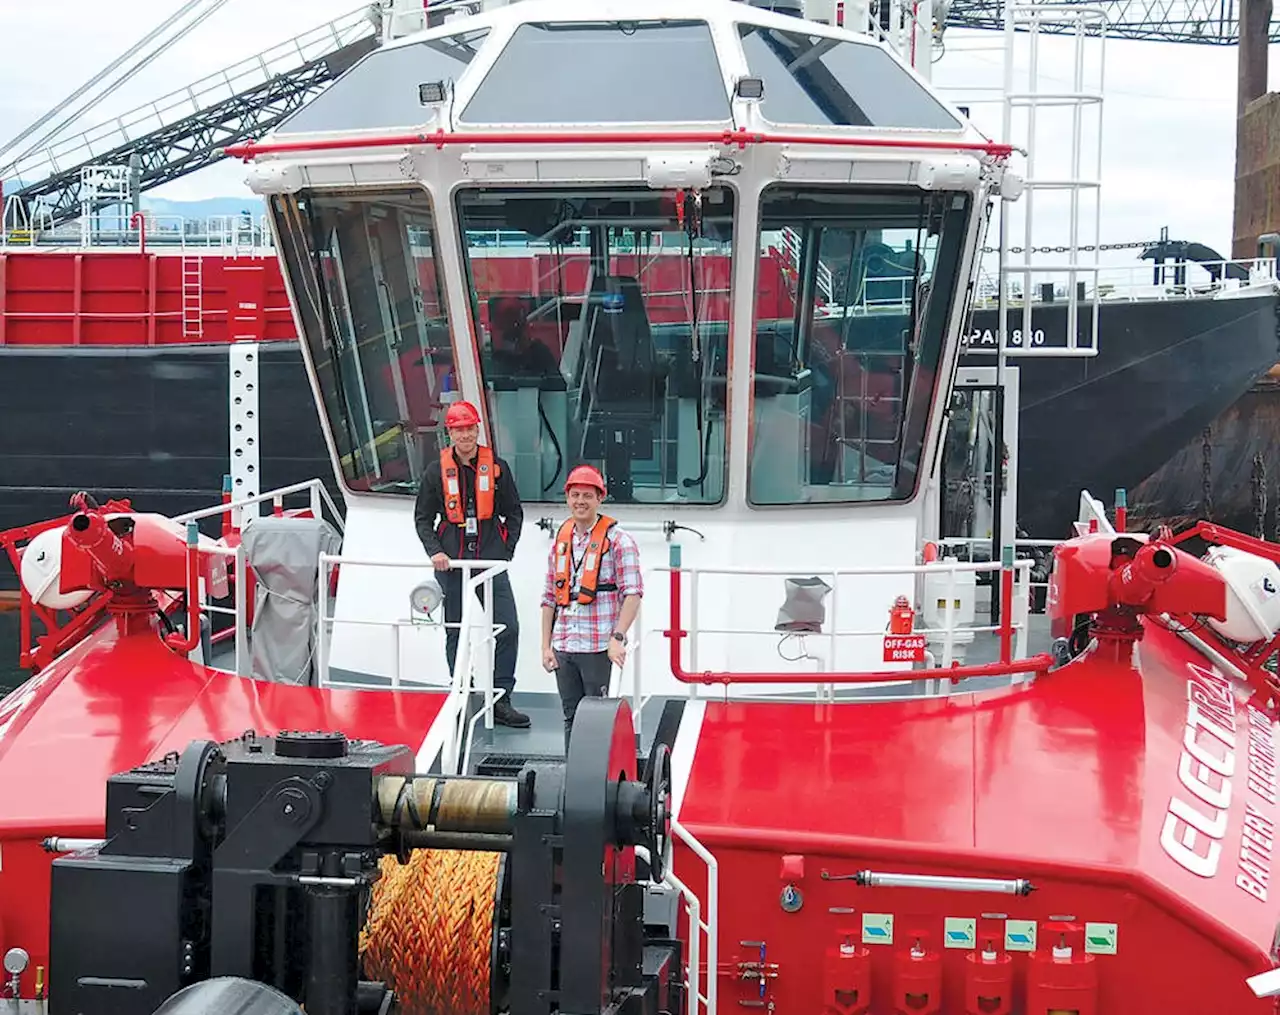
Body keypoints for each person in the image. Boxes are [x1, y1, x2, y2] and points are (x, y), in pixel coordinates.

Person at [414, 400, 529, 728]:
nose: (465, 434)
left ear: (477, 429)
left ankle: (501, 698)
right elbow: (423, 518)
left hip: (490, 561)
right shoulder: (436, 471)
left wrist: (506, 551)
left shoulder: (497, 469)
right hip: (452, 563)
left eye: (469, 428)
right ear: (450, 433)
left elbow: (514, 513)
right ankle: (460, 693)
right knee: (456, 630)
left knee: (508, 627)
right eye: (458, 429)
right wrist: (435, 551)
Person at [539, 465, 643, 750]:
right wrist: (546, 646)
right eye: (575, 495)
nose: (580, 501)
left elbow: (632, 594)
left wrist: (617, 638)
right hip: (565, 645)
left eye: (587, 495)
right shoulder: (561, 542)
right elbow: (549, 597)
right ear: (567, 498)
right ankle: (575, 774)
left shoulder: (619, 541)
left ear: (600, 499)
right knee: (570, 715)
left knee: (598, 719)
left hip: (598, 647)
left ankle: (597, 778)